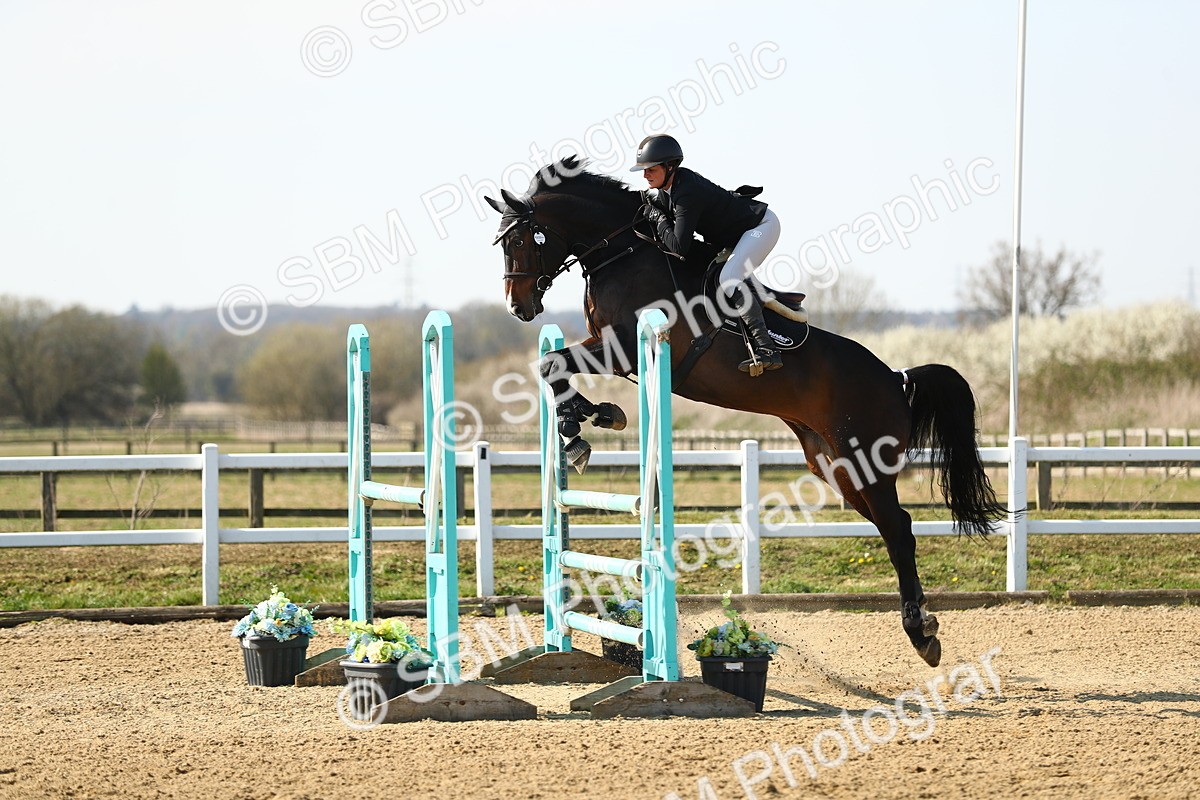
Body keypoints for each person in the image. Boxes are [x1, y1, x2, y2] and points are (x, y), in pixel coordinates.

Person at [631, 134, 783, 376]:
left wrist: (659, 220)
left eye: (651, 169)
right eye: (644, 170)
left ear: (670, 167)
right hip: (735, 236)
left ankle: (766, 348)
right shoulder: (669, 189)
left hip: (760, 228)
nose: (645, 175)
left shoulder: (686, 192)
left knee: (728, 277)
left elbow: (680, 247)